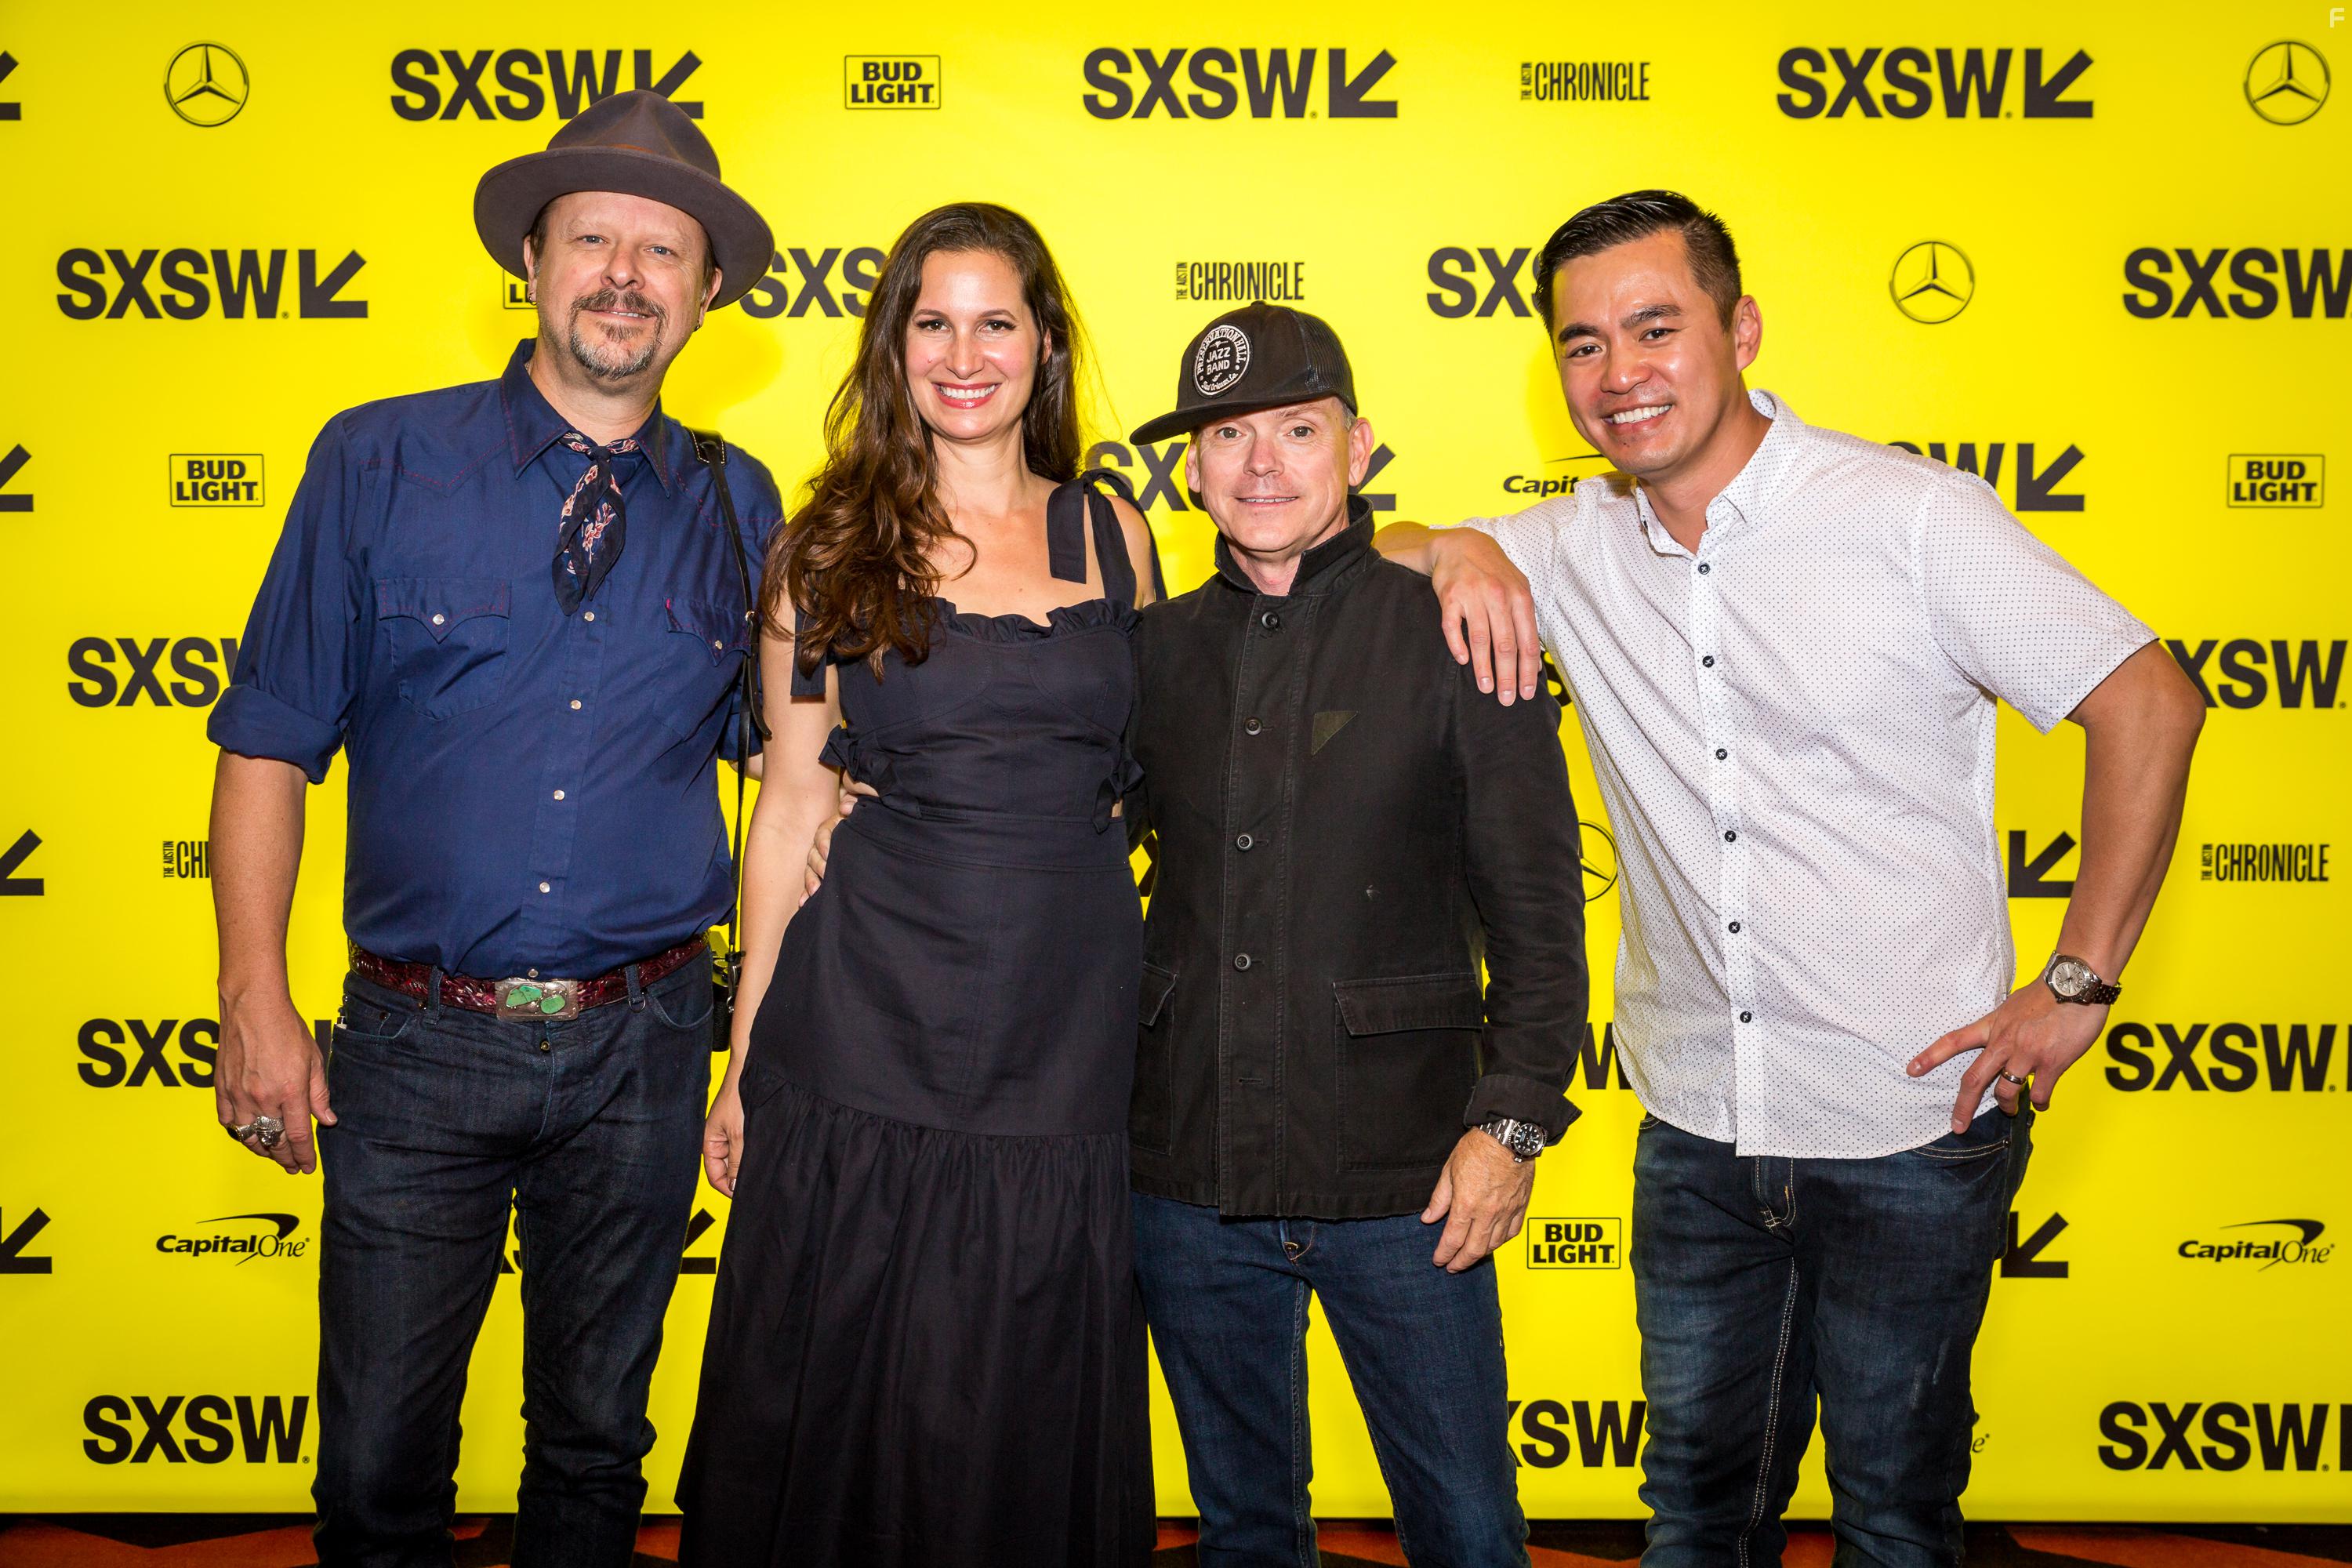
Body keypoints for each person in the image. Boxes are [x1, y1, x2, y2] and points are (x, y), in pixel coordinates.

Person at [1377, 190, 2204, 1566]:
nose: (1620, 373)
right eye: (1583, 345)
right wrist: (1455, 543)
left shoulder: (1909, 518)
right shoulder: (1568, 548)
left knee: (1893, 1516)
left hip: (1912, 1122)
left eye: (1656, 327)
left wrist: (2079, 983)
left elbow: (2150, 700)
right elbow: (1372, 560)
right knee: (1699, 1517)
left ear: (1740, 327)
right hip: (1698, 1128)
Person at [204, 91, 779, 1568]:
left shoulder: (743, 500)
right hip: (412, 1048)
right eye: (593, 235)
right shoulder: (375, 461)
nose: (625, 275)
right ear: (530, 258)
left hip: (648, 1045)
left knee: (595, 1454)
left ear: (707, 294)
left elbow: (795, 776)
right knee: (383, 1463)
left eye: (665, 251)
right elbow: (268, 744)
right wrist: (253, 1001)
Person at [677, 202, 1163, 1568]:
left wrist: (1438, 544)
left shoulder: (1111, 534)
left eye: (995, 321)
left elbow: (1147, 770)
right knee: (843, 1368)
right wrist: (744, 1052)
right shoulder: (829, 546)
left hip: (1066, 1022)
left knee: (1027, 1365)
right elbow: (790, 804)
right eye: (931, 323)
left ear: (1045, 345)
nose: (964, 353)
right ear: (893, 349)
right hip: (871, 1011)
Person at [1123, 303, 1588, 1566]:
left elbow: (1543, 921)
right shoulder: (1148, 652)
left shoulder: (1458, 628)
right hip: (1185, 1173)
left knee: (1470, 1531)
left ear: (1360, 446)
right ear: (1190, 467)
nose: (1261, 463)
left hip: (1413, 1183)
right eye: (1227, 436)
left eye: (1297, 429)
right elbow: (1057, 863)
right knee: (1244, 1534)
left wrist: (1511, 1127)